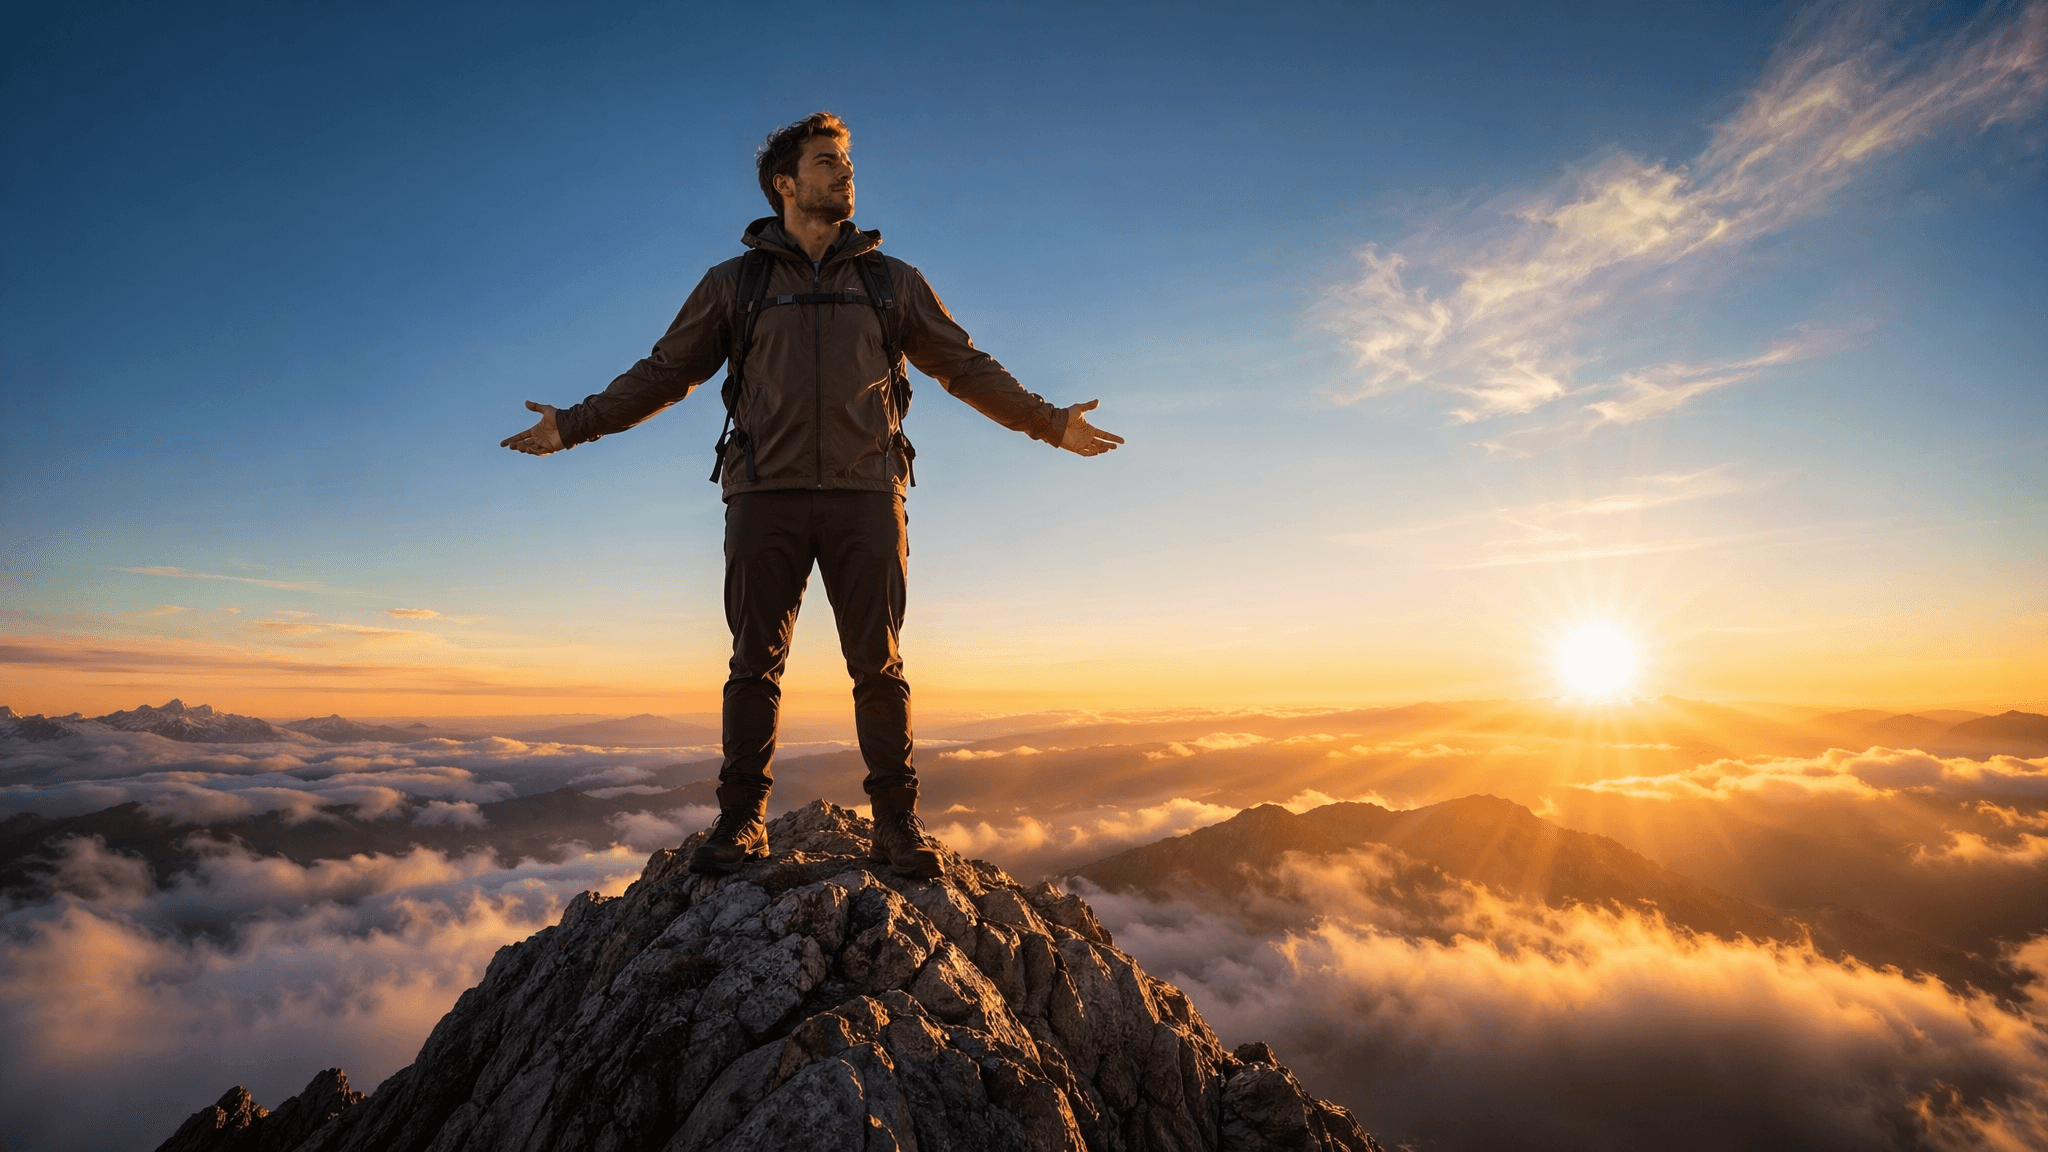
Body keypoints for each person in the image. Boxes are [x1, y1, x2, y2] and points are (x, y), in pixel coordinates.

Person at [500, 112, 1122, 878]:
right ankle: (740, 822)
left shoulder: (892, 282)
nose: (846, 173)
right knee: (753, 662)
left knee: (878, 665)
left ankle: (897, 825)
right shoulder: (737, 283)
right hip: (765, 492)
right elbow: (666, 373)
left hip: (867, 492)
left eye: (849, 162)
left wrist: (1048, 423)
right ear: (786, 184)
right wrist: (574, 425)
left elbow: (963, 365)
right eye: (828, 162)